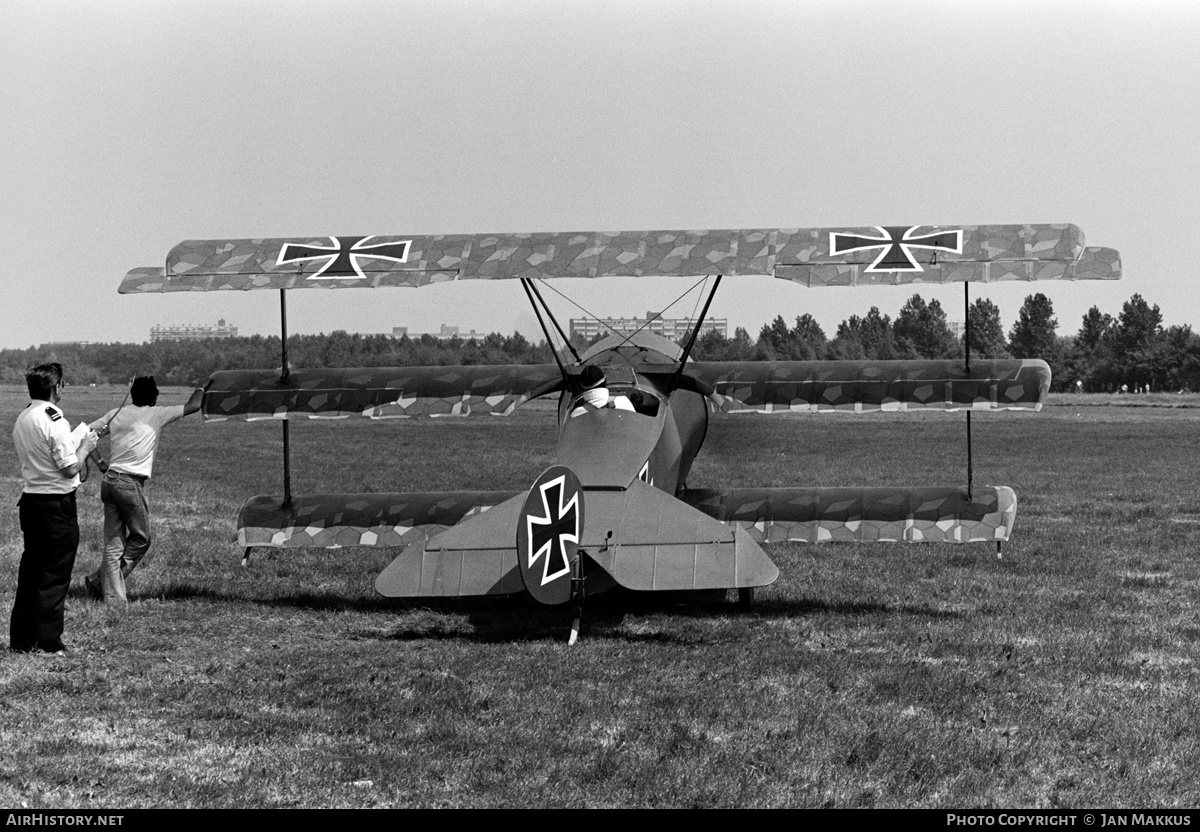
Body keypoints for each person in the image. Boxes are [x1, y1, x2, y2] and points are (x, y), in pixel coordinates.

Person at [84, 377, 203, 603]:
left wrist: (100, 464)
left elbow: (85, 433)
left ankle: (102, 587)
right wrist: (202, 385)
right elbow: (194, 405)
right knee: (141, 538)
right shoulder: (156, 414)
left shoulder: (116, 413)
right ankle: (110, 594)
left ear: (132, 395)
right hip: (129, 484)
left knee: (114, 543)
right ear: (153, 396)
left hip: (109, 482)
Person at [10, 363, 99, 654]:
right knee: (54, 574)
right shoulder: (55, 419)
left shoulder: (24, 416)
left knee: (32, 572)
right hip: (56, 505)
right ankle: (48, 640)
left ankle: (22, 639)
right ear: (56, 387)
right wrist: (85, 446)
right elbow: (69, 467)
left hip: (32, 501)